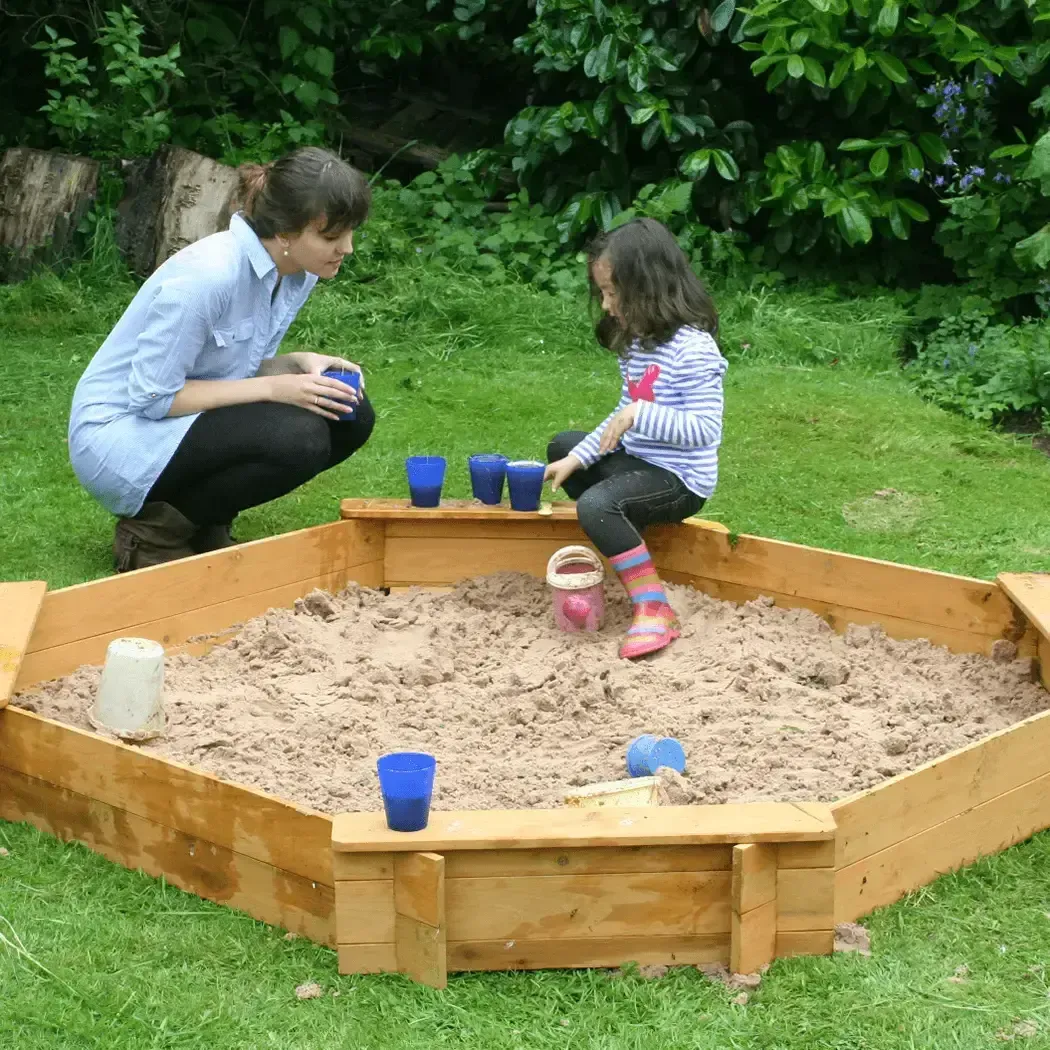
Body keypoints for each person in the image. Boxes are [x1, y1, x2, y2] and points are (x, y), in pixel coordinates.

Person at [69, 146, 376, 572]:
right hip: (120, 435)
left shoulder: (296, 271)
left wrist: (293, 364)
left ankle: (203, 518)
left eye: (350, 232)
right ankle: (152, 535)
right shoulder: (207, 276)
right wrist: (275, 388)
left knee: (350, 414)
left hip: (180, 415)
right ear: (285, 232)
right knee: (298, 435)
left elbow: (233, 370)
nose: (348, 247)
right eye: (331, 236)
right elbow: (152, 398)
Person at [544, 218, 728, 660]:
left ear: (648, 288)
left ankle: (654, 607)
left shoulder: (694, 349)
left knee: (596, 504)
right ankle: (627, 536)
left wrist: (640, 414)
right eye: (603, 294)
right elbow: (619, 419)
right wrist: (581, 456)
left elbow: (706, 430)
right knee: (564, 448)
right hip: (641, 463)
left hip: (680, 479)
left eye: (612, 293)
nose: (607, 306)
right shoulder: (638, 343)